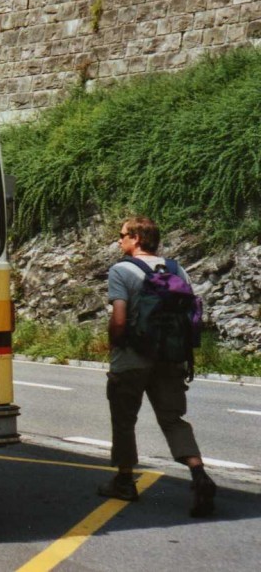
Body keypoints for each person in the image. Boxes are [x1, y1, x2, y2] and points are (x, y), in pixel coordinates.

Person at [99, 215, 216, 517]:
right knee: (173, 419)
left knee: (125, 420)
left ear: (136, 238)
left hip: (132, 359)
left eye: (122, 234)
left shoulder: (121, 271)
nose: (119, 239)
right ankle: (199, 473)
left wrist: (114, 345)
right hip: (170, 358)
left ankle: (125, 481)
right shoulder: (178, 271)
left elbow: (120, 319)